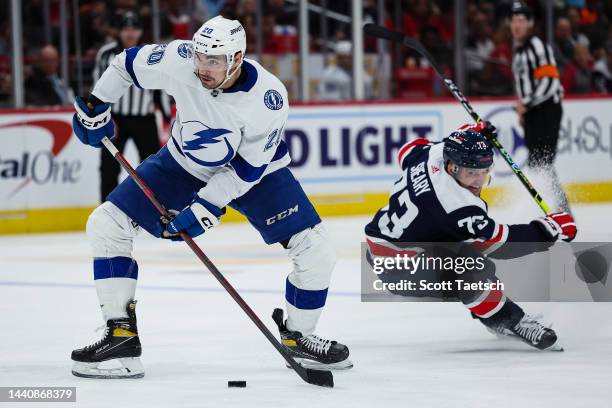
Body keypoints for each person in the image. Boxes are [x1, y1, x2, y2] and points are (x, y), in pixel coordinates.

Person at [70, 15, 351, 379]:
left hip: (257, 173)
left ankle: (299, 336)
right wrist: (97, 105)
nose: (203, 67)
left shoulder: (267, 98)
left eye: (214, 60)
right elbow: (125, 64)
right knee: (105, 224)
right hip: (182, 163)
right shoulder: (181, 60)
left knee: (317, 247)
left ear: (236, 59)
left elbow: (247, 170)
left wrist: (205, 207)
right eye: (201, 56)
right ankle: (120, 338)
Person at [364, 122, 577, 351]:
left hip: (391, 244)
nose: (478, 181)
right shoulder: (457, 206)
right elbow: (500, 244)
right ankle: (508, 320)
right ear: (452, 167)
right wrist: (548, 229)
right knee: (470, 269)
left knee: (472, 260)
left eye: (484, 172)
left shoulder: (434, 154)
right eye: (471, 173)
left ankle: (491, 312)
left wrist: (469, 134)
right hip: (396, 269)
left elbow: (408, 150)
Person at [94, 11, 170, 202]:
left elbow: (159, 88)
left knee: (153, 166)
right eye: (126, 28)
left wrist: (167, 118)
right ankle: (107, 208)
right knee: (109, 167)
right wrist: (104, 117)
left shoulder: (150, 53)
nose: (130, 33)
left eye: (134, 28)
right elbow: (98, 87)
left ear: (140, 31)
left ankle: (157, 208)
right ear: (118, 31)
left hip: (145, 118)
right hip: (115, 119)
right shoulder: (106, 54)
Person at [510, 2, 571, 214]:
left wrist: (525, 103)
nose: (516, 25)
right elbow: (524, 84)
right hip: (533, 112)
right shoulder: (518, 52)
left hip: (547, 109)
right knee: (537, 162)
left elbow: (549, 82)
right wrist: (522, 107)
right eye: (514, 21)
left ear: (530, 24)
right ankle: (549, 207)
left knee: (543, 161)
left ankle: (561, 209)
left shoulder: (536, 45)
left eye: (521, 21)